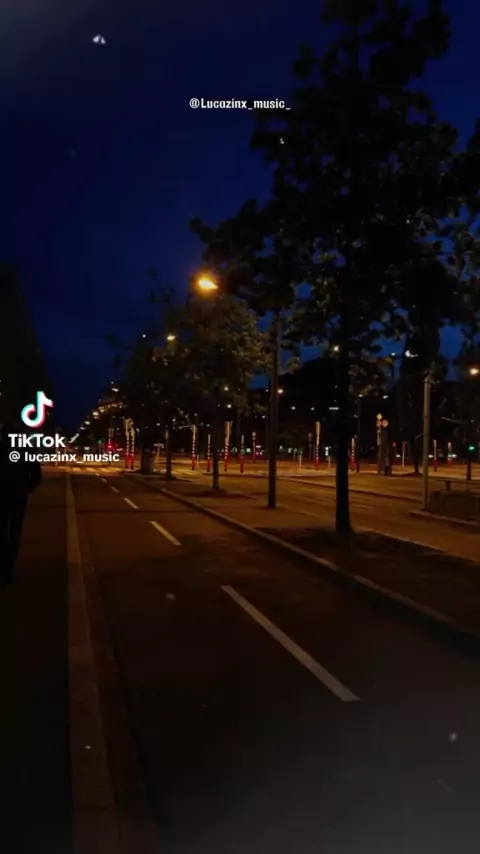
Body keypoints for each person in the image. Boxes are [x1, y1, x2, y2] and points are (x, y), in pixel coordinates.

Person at [0, 424, 42, 583]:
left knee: (3, 530)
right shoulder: (27, 449)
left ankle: (4, 564)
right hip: (18, 494)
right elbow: (36, 475)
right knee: (15, 530)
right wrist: (26, 488)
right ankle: (9, 566)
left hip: (3, 494)